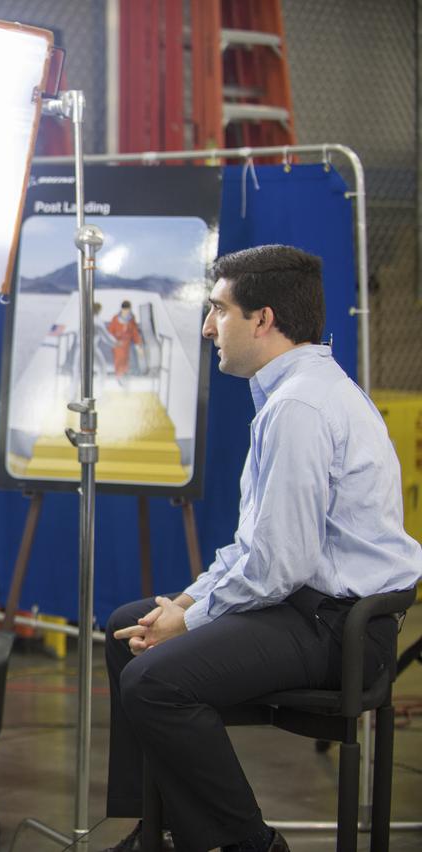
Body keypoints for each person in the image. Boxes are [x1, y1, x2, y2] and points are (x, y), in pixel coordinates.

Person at [101, 245, 422, 852]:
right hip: (303, 608)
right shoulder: (295, 392)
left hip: (339, 630)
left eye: (219, 310)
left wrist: (189, 619)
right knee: (128, 629)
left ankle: (249, 845)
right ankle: (163, 830)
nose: (207, 327)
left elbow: (280, 565)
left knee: (154, 683)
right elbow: (256, 547)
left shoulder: (299, 406)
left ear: (263, 319)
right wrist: (187, 602)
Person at [106, 300, 144, 378]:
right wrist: (115, 342)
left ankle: (124, 378)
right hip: (117, 345)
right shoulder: (115, 318)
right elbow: (110, 333)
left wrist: (139, 346)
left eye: (128, 310)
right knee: (119, 362)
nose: (126, 312)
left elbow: (135, 333)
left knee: (126, 362)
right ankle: (119, 377)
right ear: (122, 309)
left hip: (127, 345)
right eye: (125, 310)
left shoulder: (131, 319)